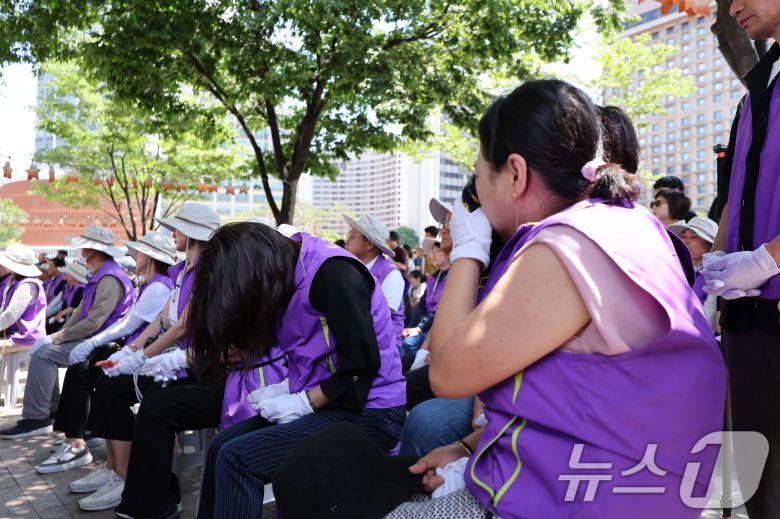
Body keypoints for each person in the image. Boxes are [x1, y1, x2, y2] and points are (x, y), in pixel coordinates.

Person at [378, 79, 724, 517]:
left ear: (516, 174)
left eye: (481, 176)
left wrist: (467, 250)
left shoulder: (567, 245)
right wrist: (469, 448)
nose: (477, 196)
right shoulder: (626, 223)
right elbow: (576, 400)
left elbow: (446, 375)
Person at [195, 223, 406, 519]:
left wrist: (304, 402)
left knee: (237, 459)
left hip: (373, 410)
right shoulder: (284, 275)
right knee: (220, 445)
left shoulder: (333, 273)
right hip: (330, 403)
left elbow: (363, 364)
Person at [79, 203, 220, 513]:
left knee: (150, 406)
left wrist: (141, 357)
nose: (173, 234)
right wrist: (131, 353)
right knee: (108, 387)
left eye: (177, 228)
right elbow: (162, 320)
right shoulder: (183, 270)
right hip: (178, 361)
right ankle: (118, 471)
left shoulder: (208, 271)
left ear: (192, 233)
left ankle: (142, 485)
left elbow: (182, 326)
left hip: (193, 368)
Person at [701, 3, 780, 516]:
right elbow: (737, 191)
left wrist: (767, 259)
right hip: (748, 318)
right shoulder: (756, 88)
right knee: (759, 486)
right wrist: (716, 263)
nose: (732, 7)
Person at [34, 232, 176, 478]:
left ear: (151, 257)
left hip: (145, 355)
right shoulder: (151, 283)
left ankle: (101, 458)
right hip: (133, 350)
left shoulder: (157, 286)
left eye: (139, 252)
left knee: (92, 377)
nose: (134, 255)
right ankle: (89, 448)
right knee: (86, 373)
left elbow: (129, 326)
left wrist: (94, 345)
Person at [0, 225, 135, 439]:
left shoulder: (109, 278)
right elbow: (81, 311)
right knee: (46, 351)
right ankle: (50, 411)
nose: (80, 251)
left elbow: (93, 322)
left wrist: (56, 337)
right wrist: (58, 337)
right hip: (92, 340)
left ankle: (36, 418)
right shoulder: (101, 273)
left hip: (104, 346)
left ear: (92, 250)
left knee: (44, 354)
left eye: (83, 246)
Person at [345, 214, 408, 351]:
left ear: (369, 244)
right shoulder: (352, 269)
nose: (346, 241)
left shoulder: (391, 274)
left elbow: (379, 318)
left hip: (384, 350)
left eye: (351, 237)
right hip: (359, 344)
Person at [0, 244, 46, 390]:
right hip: (19, 335)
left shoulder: (26, 286)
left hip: (26, 337)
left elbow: (9, 316)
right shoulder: (17, 282)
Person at [401, 242, 449, 360]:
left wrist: (419, 328)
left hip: (438, 326)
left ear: (448, 254)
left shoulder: (452, 276)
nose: (433, 254)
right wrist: (410, 327)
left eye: (437, 250)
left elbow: (440, 307)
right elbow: (421, 305)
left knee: (409, 343)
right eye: (432, 251)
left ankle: (423, 366)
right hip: (425, 323)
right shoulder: (433, 277)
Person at [670, 217, 719, 329]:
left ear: (709, 244)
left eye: (693, 237)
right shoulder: (676, 269)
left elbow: (710, 317)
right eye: (683, 236)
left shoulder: (714, 273)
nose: (686, 241)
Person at [47, 262, 88, 333]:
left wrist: (60, 314)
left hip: (70, 319)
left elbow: (73, 307)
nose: (64, 274)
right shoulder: (70, 285)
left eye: (68, 273)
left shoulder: (81, 289)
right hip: (64, 316)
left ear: (74, 277)